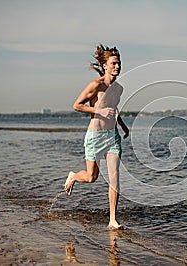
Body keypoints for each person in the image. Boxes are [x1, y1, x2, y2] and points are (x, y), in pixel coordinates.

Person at [64, 44, 127, 229]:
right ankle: (74, 176)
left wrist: (123, 126)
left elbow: (113, 110)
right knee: (92, 177)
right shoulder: (95, 85)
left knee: (114, 177)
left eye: (119, 63)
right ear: (105, 66)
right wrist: (97, 110)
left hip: (112, 136)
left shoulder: (118, 89)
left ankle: (113, 219)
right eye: (114, 63)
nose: (117, 66)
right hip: (95, 136)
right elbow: (77, 105)